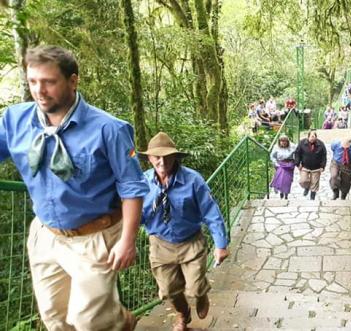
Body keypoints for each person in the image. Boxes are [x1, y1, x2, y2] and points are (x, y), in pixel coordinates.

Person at [0, 45, 147, 330]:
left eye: (49, 82)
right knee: (55, 319)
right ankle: (115, 318)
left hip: (95, 237)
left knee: (88, 321)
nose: (39, 90)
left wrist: (127, 240)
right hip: (46, 235)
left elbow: (132, 187)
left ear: (73, 80)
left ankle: (118, 321)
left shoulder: (109, 129)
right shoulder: (15, 120)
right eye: (33, 81)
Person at [139, 132, 230, 331]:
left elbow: (211, 212)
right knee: (168, 291)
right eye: (157, 157)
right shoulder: (142, 183)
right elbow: (134, 215)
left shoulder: (193, 180)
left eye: (167, 156)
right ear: (149, 159)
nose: (162, 162)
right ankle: (183, 313)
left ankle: (200, 295)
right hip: (160, 243)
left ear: (175, 157)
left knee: (195, 287)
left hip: (191, 241)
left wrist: (221, 245)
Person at [294, 130, 327, 200]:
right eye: (311, 137)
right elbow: (297, 153)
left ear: (316, 137)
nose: (312, 138)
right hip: (305, 166)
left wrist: (322, 166)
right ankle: (307, 187)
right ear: (308, 137)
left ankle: (312, 198)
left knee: (314, 183)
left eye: (314, 137)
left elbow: (324, 155)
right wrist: (297, 163)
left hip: (316, 167)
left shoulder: (321, 144)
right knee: (303, 181)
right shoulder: (302, 143)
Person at [270, 135, 296, 199]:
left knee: (287, 180)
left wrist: (295, 162)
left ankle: (286, 194)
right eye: (281, 141)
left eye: (285, 141)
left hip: (289, 165)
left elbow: (297, 153)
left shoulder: (292, 146)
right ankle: (281, 192)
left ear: (287, 142)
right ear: (279, 142)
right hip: (280, 164)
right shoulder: (276, 147)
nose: (283, 142)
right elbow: (272, 156)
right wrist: (275, 163)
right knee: (281, 179)